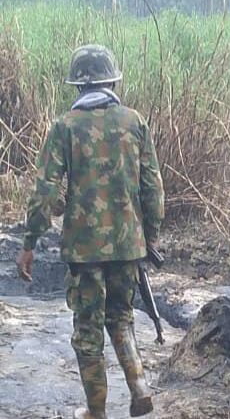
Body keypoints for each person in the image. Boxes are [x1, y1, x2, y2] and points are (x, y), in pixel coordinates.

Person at [16, 44, 164, 419]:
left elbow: (44, 190)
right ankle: (140, 387)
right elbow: (153, 188)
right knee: (121, 317)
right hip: (129, 244)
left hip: (83, 250)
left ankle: (96, 411)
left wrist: (30, 241)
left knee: (87, 330)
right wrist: (151, 238)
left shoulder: (66, 127)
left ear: (76, 87)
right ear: (113, 80)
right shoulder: (135, 122)